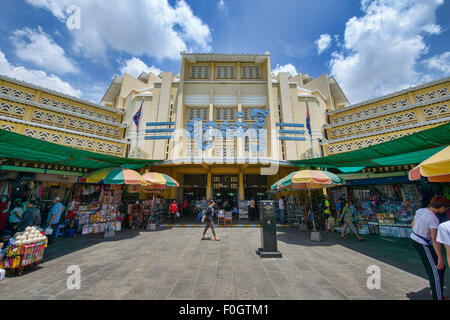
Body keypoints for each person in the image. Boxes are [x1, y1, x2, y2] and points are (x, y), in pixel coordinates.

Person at [410, 196, 449, 300]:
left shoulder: (420, 210)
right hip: (423, 243)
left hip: (415, 238)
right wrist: (440, 258)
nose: (445, 210)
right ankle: (437, 297)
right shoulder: (433, 219)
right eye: (445, 208)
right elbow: (435, 240)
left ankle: (436, 290)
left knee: (436, 268)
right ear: (440, 207)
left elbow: (412, 225)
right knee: (435, 270)